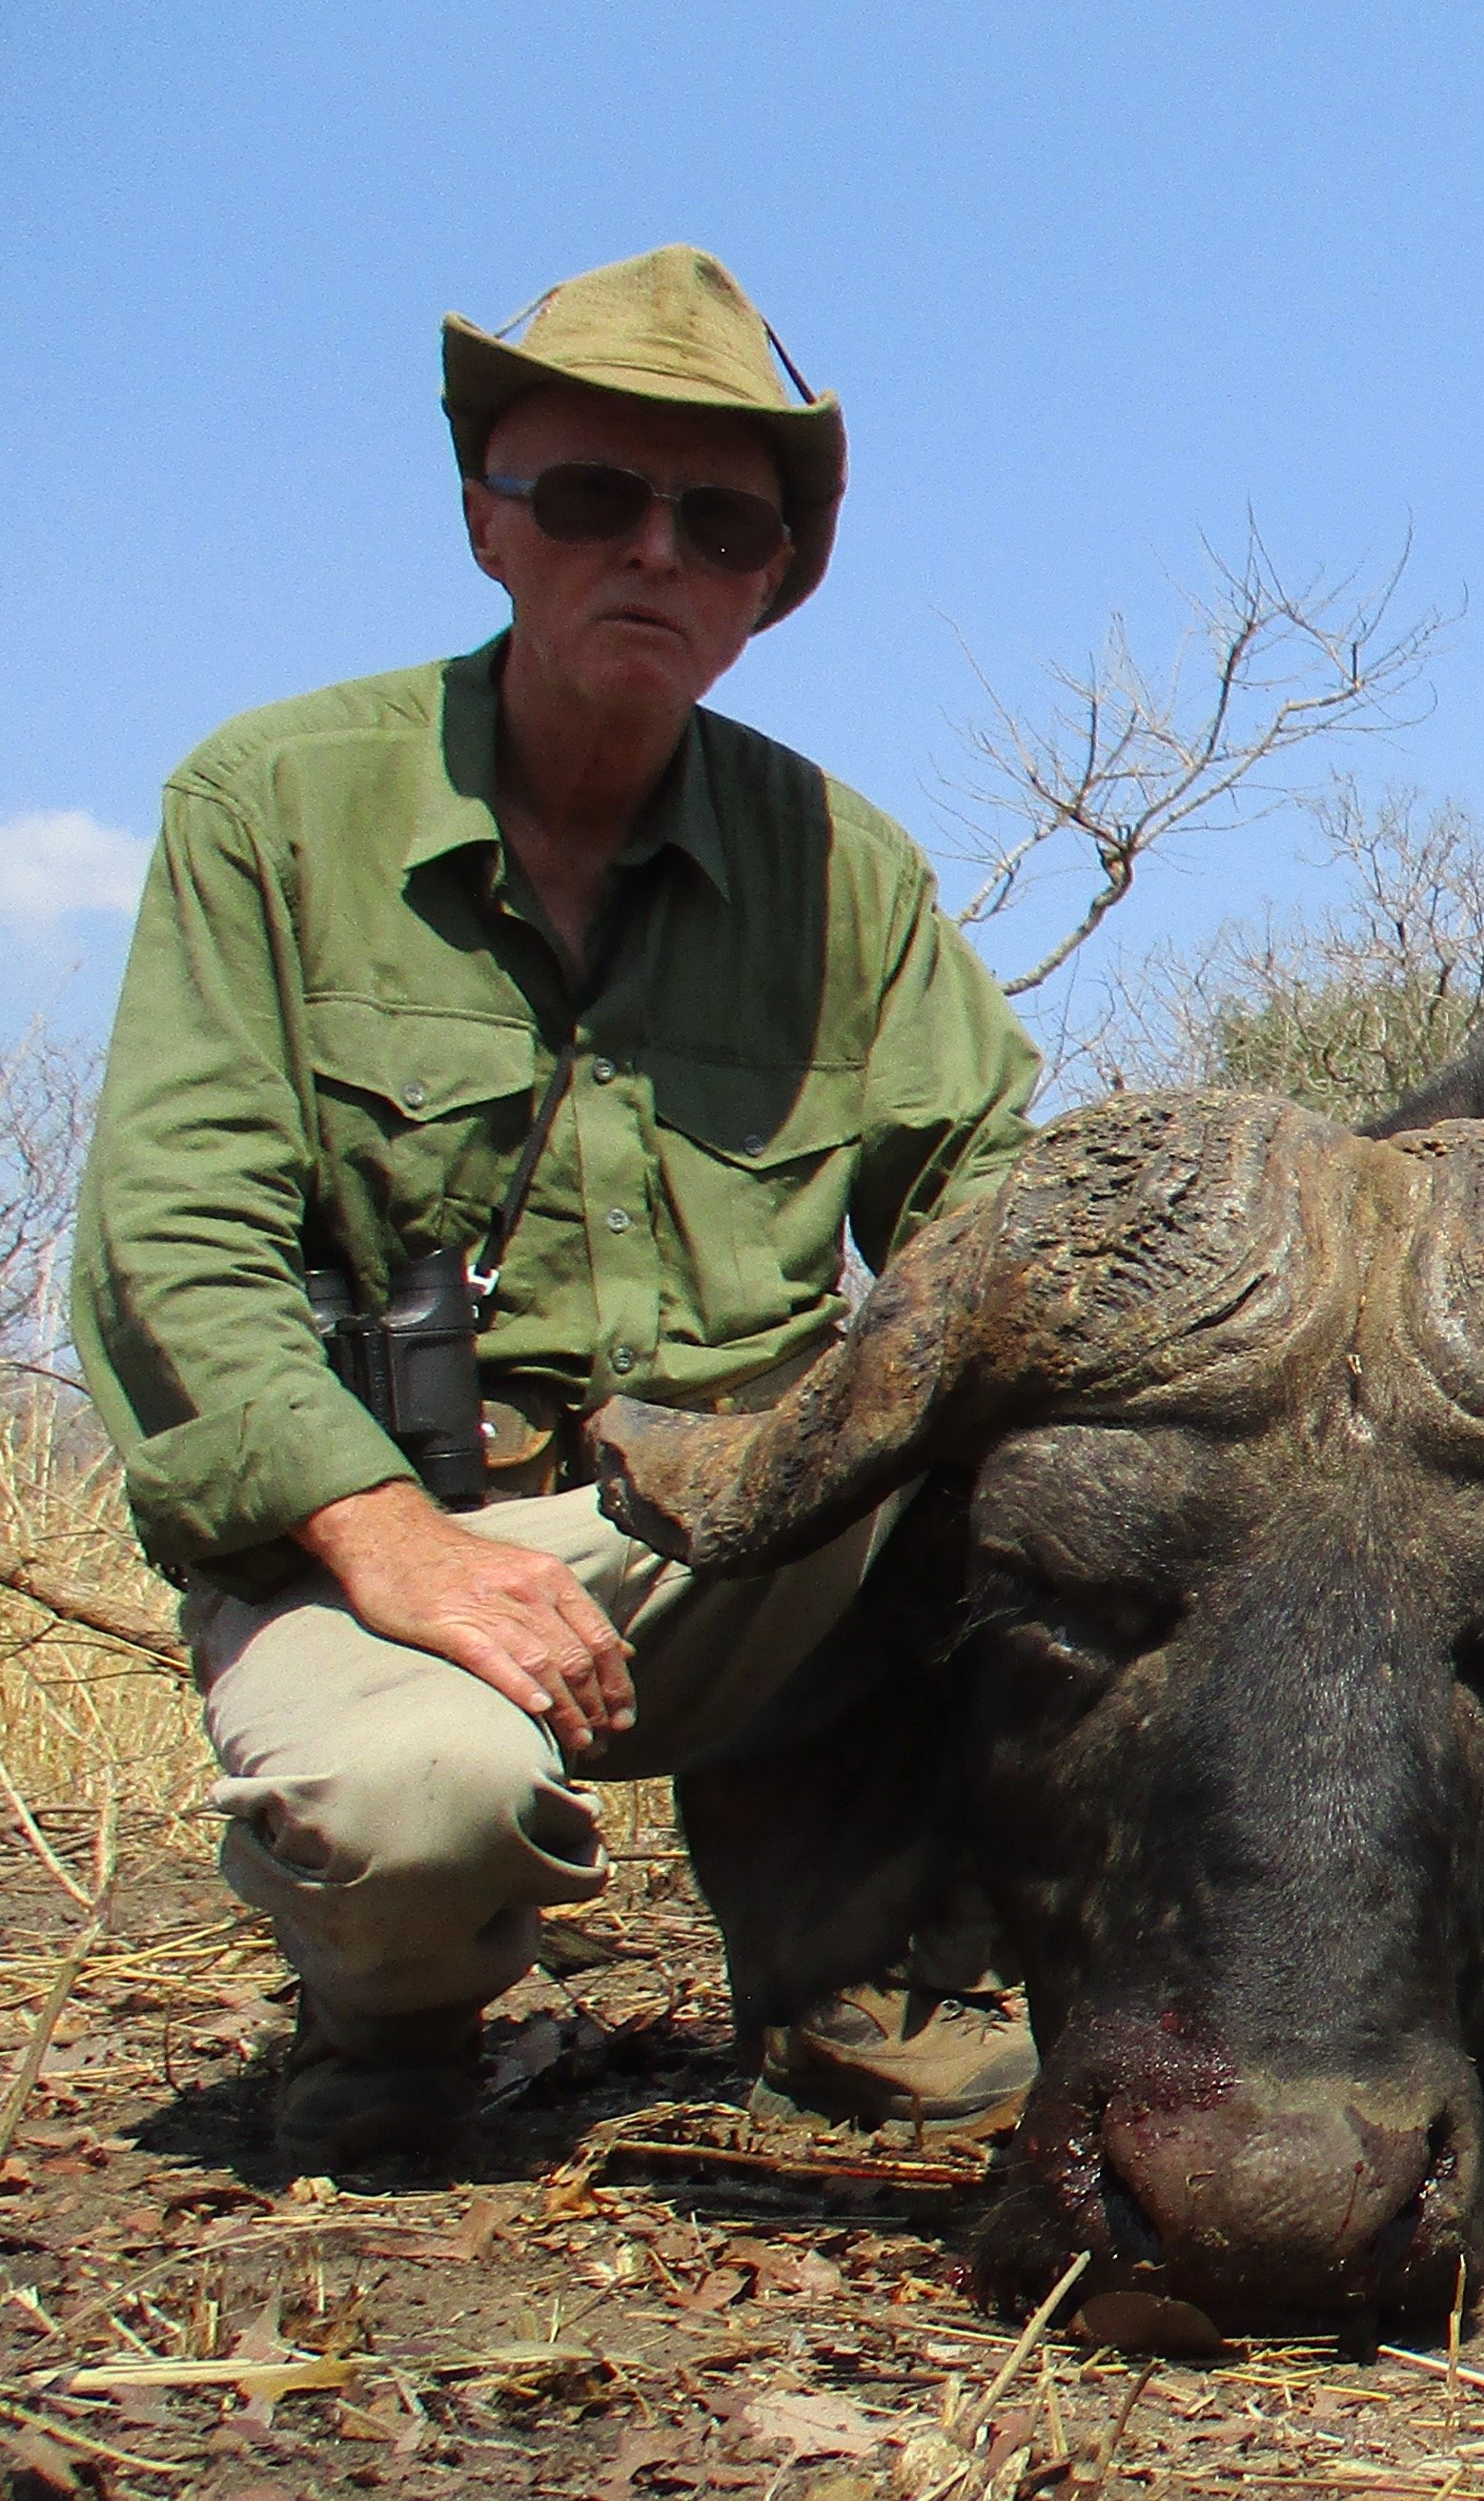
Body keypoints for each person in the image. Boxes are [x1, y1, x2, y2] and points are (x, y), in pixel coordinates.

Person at [70, 244, 1045, 2168]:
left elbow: (1005, 1219)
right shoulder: (265, 808)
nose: (656, 553)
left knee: (1093, 1466)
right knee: (419, 1801)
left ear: (771, 582)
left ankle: (869, 1944)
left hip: (736, 1536)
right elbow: (172, 1242)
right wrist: (384, 1539)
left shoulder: (847, 869)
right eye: (591, 496)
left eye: (721, 520)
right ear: (485, 523)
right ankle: (395, 2003)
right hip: (387, 1541)